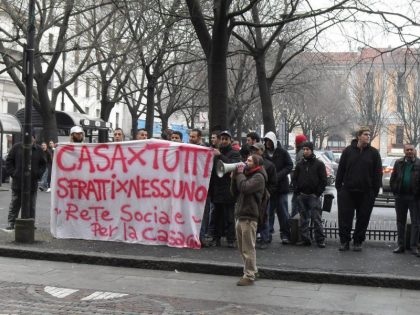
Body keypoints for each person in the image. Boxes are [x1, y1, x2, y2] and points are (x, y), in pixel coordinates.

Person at [335, 127, 382, 252]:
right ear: (359, 136)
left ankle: (358, 241)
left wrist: (374, 191)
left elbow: (377, 174)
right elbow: (340, 171)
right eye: (366, 134)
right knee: (345, 218)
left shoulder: (374, 153)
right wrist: (339, 188)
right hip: (348, 192)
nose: (368, 136)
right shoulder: (348, 151)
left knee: (363, 218)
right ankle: (344, 242)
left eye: (369, 134)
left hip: (366, 193)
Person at [231, 154, 267, 286]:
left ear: (257, 163)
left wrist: (240, 175)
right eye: (247, 159)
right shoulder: (247, 174)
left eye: (250, 160)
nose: (246, 162)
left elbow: (245, 188)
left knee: (248, 248)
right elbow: (235, 192)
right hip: (241, 214)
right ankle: (253, 270)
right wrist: (234, 177)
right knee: (242, 247)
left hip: (249, 216)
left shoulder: (258, 177)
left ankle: (249, 275)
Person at [5, 133, 46, 230]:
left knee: (31, 204)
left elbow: (43, 164)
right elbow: (9, 161)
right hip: (18, 181)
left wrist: (38, 174)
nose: (29, 140)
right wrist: (14, 173)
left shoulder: (38, 149)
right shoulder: (16, 147)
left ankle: (31, 222)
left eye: (32, 138)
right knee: (15, 203)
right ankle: (11, 222)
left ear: (34, 139)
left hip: (32, 181)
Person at [208, 130, 241, 247]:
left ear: (230, 140)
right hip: (217, 188)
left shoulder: (235, 153)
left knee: (229, 216)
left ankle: (230, 239)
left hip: (228, 189)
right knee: (216, 216)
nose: (223, 141)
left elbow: (234, 165)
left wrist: (220, 155)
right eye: (222, 139)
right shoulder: (217, 152)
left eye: (226, 139)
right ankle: (215, 238)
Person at [292, 142, 327, 248]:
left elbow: (323, 180)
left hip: (313, 195)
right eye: (304, 149)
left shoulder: (319, 164)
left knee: (316, 218)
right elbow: (295, 179)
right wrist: (297, 191)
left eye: (307, 149)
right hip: (302, 195)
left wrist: (317, 193)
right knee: (304, 219)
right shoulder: (300, 164)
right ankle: (305, 239)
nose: (305, 151)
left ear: (312, 150)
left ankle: (320, 239)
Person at [263, 131, 293, 244]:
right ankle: (268, 233)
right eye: (266, 141)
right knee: (268, 212)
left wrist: (279, 175)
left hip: (281, 188)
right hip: (269, 188)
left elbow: (290, 165)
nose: (267, 144)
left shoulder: (283, 152)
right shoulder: (264, 154)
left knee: (283, 212)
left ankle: (285, 234)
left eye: (270, 141)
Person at [390, 144, 420, 255]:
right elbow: (393, 178)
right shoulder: (398, 163)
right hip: (401, 197)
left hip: (414, 197)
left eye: (411, 149)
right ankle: (401, 245)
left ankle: (414, 246)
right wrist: (395, 191)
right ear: (404, 151)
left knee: (416, 222)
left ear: (414, 151)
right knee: (400, 222)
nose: (409, 151)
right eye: (407, 150)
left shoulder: (419, 163)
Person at [250, 142, 277, 249]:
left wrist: (267, 193)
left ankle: (265, 238)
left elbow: (273, 182)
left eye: (256, 150)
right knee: (254, 216)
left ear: (262, 151)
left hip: (264, 196)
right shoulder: (250, 163)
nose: (254, 152)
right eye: (253, 150)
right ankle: (255, 237)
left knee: (264, 216)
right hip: (252, 195)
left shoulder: (269, 165)